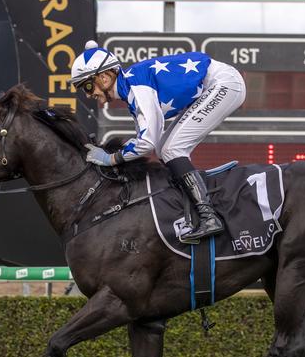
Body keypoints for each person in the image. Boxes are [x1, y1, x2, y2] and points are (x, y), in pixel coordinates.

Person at [70, 40, 246, 243]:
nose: (89, 94)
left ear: (105, 77)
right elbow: (148, 141)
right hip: (216, 83)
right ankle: (192, 207)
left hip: (224, 84)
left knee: (172, 148)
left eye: (88, 85)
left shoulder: (138, 89)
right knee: (165, 148)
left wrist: (110, 159)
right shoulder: (131, 89)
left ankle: (209, 216)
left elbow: (146, 143)